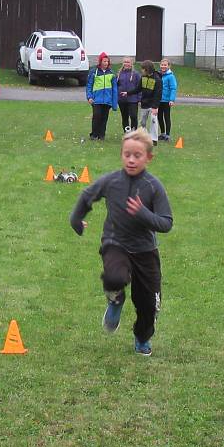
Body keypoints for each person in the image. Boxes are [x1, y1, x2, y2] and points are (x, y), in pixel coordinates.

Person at [69, 128, 173, 356]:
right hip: (115, 242)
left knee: (148, 305)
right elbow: (88, 195)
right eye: (127, 154)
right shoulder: (112, 181)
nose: (131, 160)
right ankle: (115, 301)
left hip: (145, 250)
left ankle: (142, 337)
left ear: (149, 157)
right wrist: (76, 220)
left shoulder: (154, 187)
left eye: (137, 155)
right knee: (115, 276)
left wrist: (143, 213)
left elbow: (166, 223)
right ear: (121, 155)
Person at [85, 52, 118, 140]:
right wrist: (89, 97)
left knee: (104, 118)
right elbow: (89, 85)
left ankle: (101, 135)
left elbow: (115, 89)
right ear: (100, 62)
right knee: (97, 115)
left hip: (107, 100)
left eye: (107, 61)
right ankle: (94, 134)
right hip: (96, 99)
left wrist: (114, 104)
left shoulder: (111, 74)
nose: (106, 63)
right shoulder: (94, 72)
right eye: (104, 61)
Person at [137, 60, 162, 146]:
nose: (141, 70)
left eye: (143, 69)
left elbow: (158, 94)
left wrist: (155, 107)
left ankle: (154, 139)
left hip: (153, 105)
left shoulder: (157, 80)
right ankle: (143, 137)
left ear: (147, 69)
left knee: (153, 121)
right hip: (144, 103)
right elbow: (138, 88)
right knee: (142, 122)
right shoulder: (143, 77)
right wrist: (128, 93)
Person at [116, 57, 141, 133]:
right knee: (124, 117)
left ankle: (134, 132)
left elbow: (139, 87)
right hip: (122, 100)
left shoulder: (136, 74)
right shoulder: (119, 74)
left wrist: (139, 99)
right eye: (125, 62)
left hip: (133, 99)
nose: (126, 64)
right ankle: (127, 133)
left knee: (133, 116)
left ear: (131, 63)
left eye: (128, 62)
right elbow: (117, 86)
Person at [157, 58, 177, 142]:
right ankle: (162, 133)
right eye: (162, 65)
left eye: (165, 65)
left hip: (166, 100)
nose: (163, 66)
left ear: (168, 66)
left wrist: (171, 99)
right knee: (159, 117)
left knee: (166, 117)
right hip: (158, 100)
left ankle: (167, 135)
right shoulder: (158, 75)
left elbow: (173, 88)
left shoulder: (171, 76)